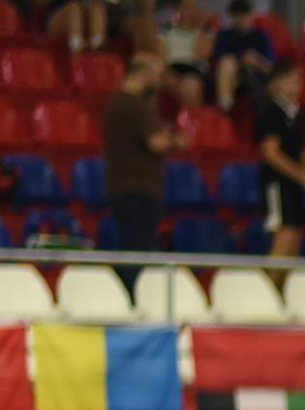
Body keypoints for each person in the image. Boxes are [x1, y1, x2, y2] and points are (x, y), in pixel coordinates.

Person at [103, 53, 177, 293]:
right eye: (156, 77)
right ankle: (127, 294)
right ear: (145, 75)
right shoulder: (133, 105)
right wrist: (177, 140)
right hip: (138, 189)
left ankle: (126, 293)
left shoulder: (117, 103)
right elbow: (157, 142)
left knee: (135, 245)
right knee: (137, 249)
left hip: (126, 186)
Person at [253, 60, 305, 258]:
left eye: (297, 79)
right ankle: (269, 278)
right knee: (284, 237)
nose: (295, 85)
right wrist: (302, 176)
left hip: (294, 184)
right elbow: (270, 153)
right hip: (277, 183)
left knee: (295, 239)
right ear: (276, 83)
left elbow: (301, 150)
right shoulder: (272, 111)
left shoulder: (298, 113)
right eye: (289, 79)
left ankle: (284, 279)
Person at [210, 0, 275, 112]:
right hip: (233, 75)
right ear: (233, 17)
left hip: (257, 75)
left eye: (246, 15)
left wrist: (256, 61)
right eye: (239, 16)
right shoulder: (225, 36)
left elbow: (271, 67)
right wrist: (240, 61)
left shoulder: (261, 36)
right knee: (227, 63)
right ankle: (225, 108)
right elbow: (220, 61)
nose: (244, 19)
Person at [42, 0, 109, 54]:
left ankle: (97, 46)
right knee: (74, 9)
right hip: (59, 14)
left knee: (96, 9)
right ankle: (77, 47)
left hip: (89, 13)